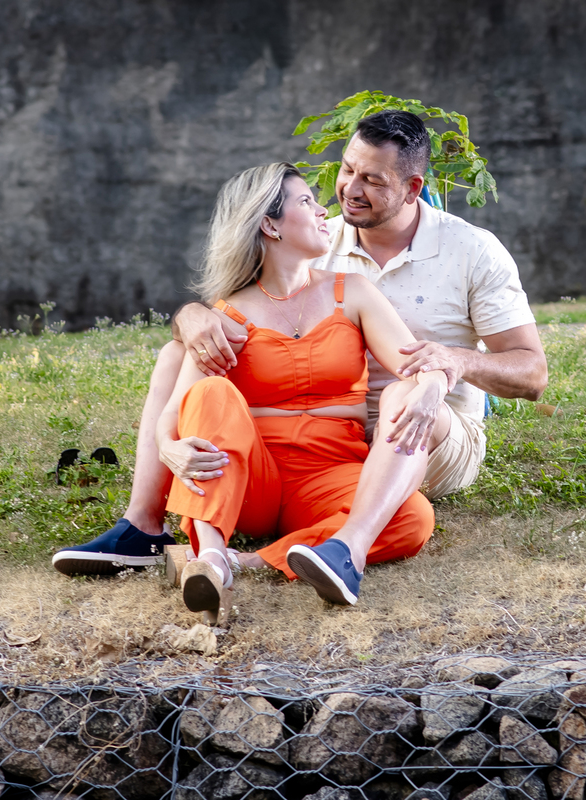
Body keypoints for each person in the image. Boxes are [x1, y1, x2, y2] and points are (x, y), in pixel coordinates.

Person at [52, 111, 548, 601]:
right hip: (274, 465)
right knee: (187, 362)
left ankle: (286, 555)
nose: (348, 190)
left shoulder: (467, 251)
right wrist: (191, 317)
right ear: (273, 225)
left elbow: (528, 373)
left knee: (410, 476)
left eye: (372, 179)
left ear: (413, 188)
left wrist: (448, 370)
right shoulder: (317, 239)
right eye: (347, 169)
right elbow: (225, 316)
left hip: (416, 433)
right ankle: (150, 528)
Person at [157, 162, 446, 610]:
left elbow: (416, 363)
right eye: (307, 201)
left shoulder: (353, 292)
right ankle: (210, 555)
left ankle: (250, 561)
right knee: (212, 392)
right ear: (269, 224)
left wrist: (432, 383)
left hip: (331, 472)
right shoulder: (226, 316)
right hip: (253, 478)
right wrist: (166, 446)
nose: (323, 211)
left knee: (411, 516)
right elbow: (180, 409)